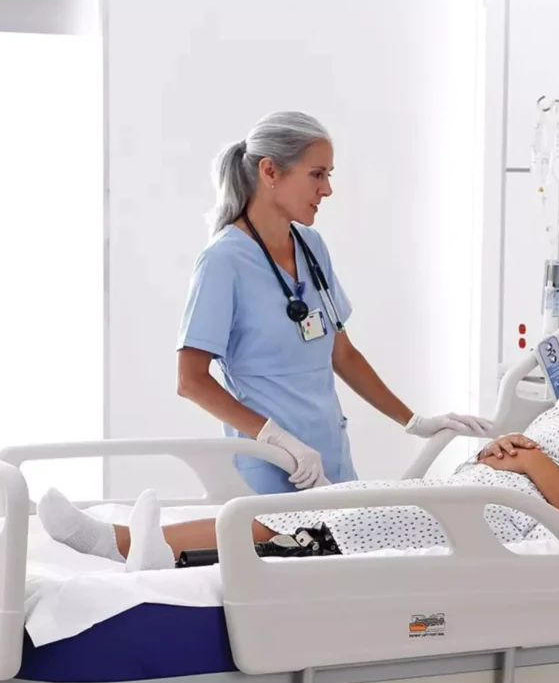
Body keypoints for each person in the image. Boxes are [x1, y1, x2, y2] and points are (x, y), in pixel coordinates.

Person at [37, 298, 559, 570]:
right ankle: (141, 544)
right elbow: (526, 458)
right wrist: (500, 452)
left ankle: (126, 545)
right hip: (470, 498)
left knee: (311, 525)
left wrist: (531, 465)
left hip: (501, 529)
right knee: (314, 507)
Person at [175, 109, 488, 494]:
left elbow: (342, 354)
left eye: (328, 175)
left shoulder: (311, 247)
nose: (327, 189)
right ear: (270, 172)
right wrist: (277, 439)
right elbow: (191, 381)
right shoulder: (223, 261)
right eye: (317, 174)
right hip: (269, 465)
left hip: (329, 459)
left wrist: (414, 422)